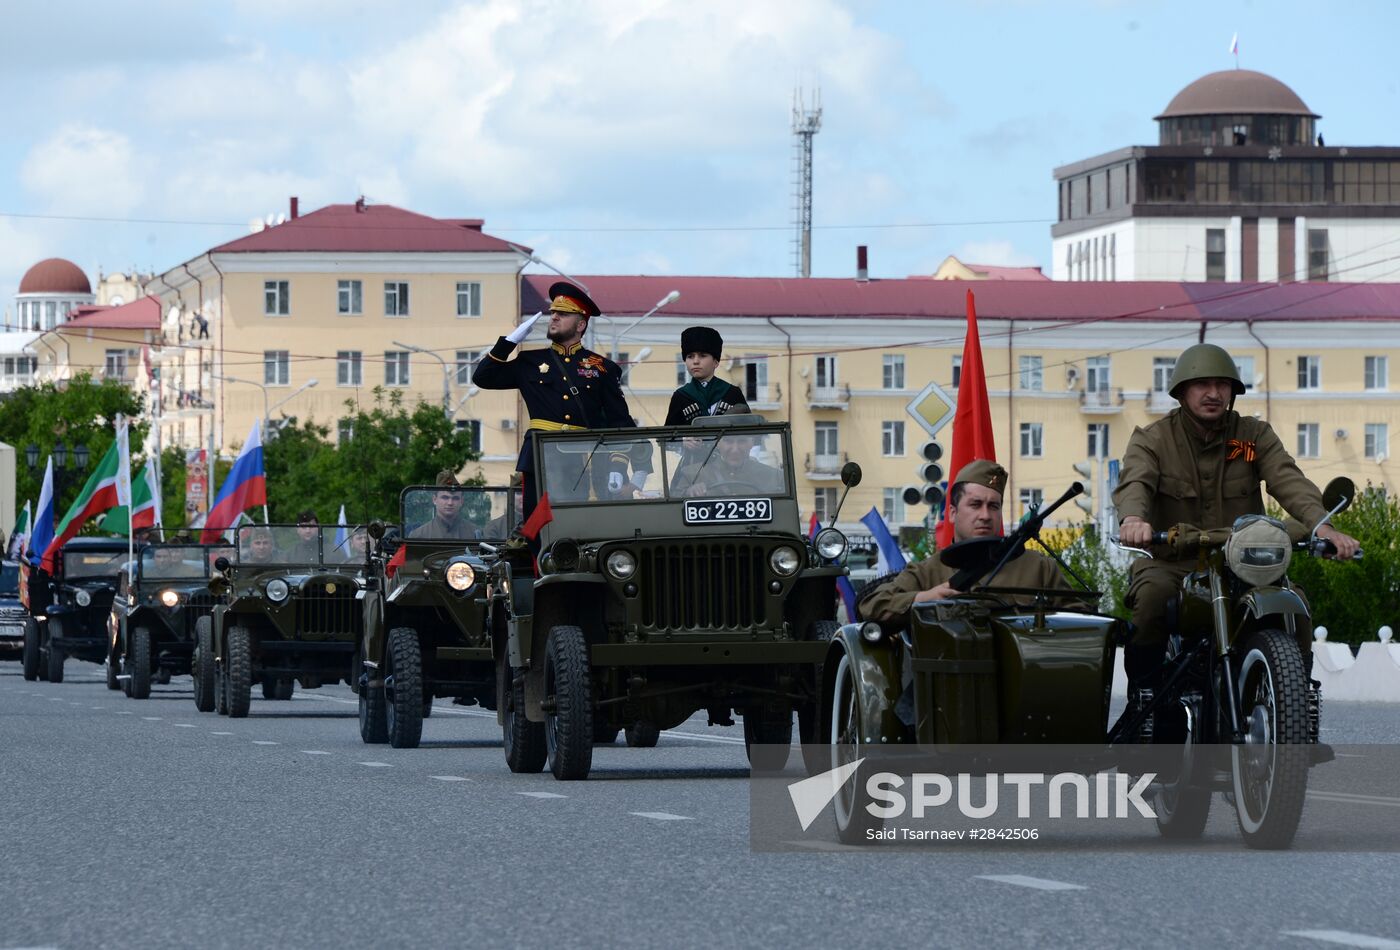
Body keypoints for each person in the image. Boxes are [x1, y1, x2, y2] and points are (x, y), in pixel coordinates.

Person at [1112, 342, 1360, 711]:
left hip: (1245, 563)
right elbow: (1136, 483)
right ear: (1181, 391)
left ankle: (1296, 699)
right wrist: (1133, 519)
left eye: (1223, 384)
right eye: (1202, 384)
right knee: (1150, 600)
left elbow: (1287, 479)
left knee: (1296, 605)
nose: (1213, 393)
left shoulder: (1251, 436)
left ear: (1233, 391)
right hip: (1175, 562)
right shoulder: (1154, 439)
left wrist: (1322, 526)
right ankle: (1145, 700)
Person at [472, 282, 636, 522]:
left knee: (582, 525)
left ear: (581, 324)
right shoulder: (529, 361)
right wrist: (508, 342)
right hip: (540, 459)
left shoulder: (602, 368)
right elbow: (482, 378)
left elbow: (621, 423)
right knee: (538, 529)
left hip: (583, 462)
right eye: (553, 313)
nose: (554, 317)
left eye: (563, 314)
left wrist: (618, 467)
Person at [858, 460, 1072, 623]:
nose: (986, 515)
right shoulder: (928, 572)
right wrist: (925, 599)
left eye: (993, 506)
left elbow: (1081, 616)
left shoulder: (1039, 568)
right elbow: (871, 606)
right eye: (975, 504)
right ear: (952, 513)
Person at [665, 326, 750, 426]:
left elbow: (750, 435)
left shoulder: (732, 393)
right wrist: (684, 441)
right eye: (690, 356)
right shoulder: (680, 396)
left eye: (702, 355)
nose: (695, 361)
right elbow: (666, 438)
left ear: (716, 362)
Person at [671, 432, 783, 497]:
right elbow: (674, 505)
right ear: (718, 443)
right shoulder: (692, 474)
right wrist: (689, 492)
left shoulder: (772, 476)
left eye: (742, 441)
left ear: (752, 443)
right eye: (728, 441)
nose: (735, 449)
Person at [409, 471, 481, 539]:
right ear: (434, 499)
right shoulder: (419, 535)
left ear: (461, 501)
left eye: (455, 498)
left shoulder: (475, 534)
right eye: (445, 497)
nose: (450, 503)